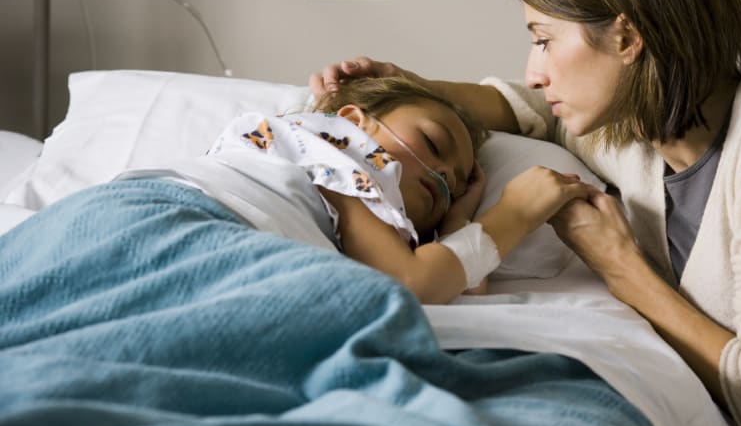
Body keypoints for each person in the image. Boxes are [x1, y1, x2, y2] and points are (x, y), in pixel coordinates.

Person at [308, 0, 741, 426]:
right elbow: (525, 110)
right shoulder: (627, 134)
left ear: (626, 37)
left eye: (544, 39)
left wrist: (622, 268)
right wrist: (409, 86)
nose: (533, 70)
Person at [117, 76, 591, 305]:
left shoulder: (363, 221)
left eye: (455, 183)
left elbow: (462, 281)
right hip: (164, 219)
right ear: (352, 122)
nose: (443, 176)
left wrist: (455, 219)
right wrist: (513, 214)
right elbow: (412, 283)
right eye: (432, 142)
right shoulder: (332, 148)